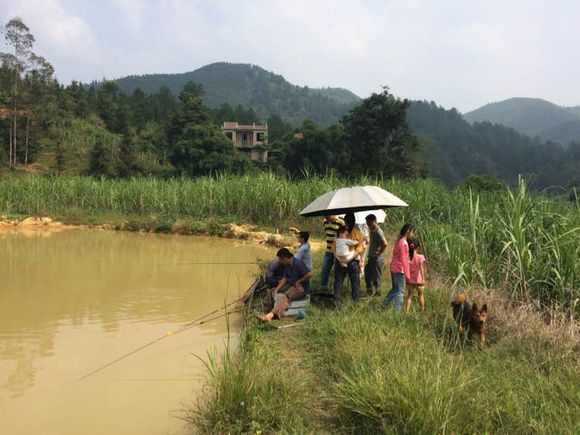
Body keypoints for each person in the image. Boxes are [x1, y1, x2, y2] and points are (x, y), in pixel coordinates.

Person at [259, 248, 312, 322]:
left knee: (285, 296)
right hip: (292, 285)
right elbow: (285, 278)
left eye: (280, 259)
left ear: (285, 258)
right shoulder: (287, 265)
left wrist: (299, 281)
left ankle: (270, 315)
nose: (280, 261)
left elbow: (309, 274)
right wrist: (277, 289)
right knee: (272, 290)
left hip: (301, 288)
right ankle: (266, 310)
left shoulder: (298, 263)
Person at [333, 213, 365, 303]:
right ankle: (355, 302)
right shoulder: (358, 233)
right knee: (354, 283)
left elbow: (334, 248)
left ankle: (337, 302)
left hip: (341, 261)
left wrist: (340, 259)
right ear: (354, 222)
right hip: (352, 261)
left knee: (338, 282)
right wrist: (349, 258)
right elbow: (359, 249)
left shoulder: (339, 232)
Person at [383, 223, 415, 311]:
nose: (413, 235)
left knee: (395, 289)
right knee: (400, 291)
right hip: (399, 270)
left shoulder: (399, 241)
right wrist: (408, 275)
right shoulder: (404, 243)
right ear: (408, 231)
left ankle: (384, 304)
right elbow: (404, 260)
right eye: (412, 232)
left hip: (394, 268)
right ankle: (397, 312)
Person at [364, 214, 387, 296]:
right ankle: (370, 291)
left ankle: (377, 294)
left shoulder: (378, 232)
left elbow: (385, 244)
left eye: (369, 223)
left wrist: (379, 252)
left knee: (376, 277)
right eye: (367, 223)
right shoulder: (372, 230)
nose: (368, 225)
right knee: (367, 273)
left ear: (374, 221)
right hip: (371, 257)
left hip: (377, 258)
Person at [320, 215, 344, 290]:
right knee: (325, 268)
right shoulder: (325, 222)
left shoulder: (341, 222)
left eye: (327, 215)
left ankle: (337, 288)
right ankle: (323, 287)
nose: (325, 216)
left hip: (337, 250)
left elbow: (343, 236)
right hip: (328, 249)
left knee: (337, 270)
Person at [404, 239, 427, 312]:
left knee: (409, 296)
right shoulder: (420, 257)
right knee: (420, 295)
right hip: (419, 280)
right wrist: (423, 279)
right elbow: (421, 268)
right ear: (418, 247)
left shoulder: (407, 257)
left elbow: (406, 268)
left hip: (410, 280)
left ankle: (406, 311)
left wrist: (406, 277)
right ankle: (422, 310)